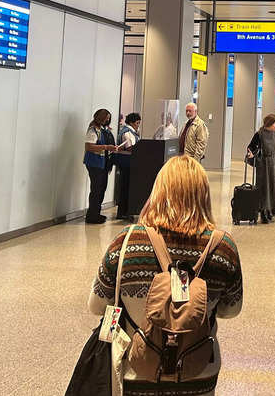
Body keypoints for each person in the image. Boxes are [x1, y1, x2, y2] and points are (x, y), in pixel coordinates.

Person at [88, 155, 243, 396]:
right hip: (199, 372)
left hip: (135, 371)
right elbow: (230, 310)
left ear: (158, 191)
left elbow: (97, 305)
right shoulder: (223, 247)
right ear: (204, 195)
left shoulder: (127, 242)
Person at [84, 109, 118, 224]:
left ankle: (96, 213)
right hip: (94, 163)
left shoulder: (102, 129)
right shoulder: (93, 130)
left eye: (109, 118)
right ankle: (92, 215)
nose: (107, 120)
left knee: (101, 188)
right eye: (106, 118)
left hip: (102, 163)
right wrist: (106, 147)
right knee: (96, 189)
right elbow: (89, 147)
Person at [246, 113, 275, 223]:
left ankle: (270, 209)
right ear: (269, 124)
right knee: (263, 188)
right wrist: (252, 155)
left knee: (273, 186)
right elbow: (250, 147)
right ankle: (262, 211)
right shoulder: (259, 134)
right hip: (264, 164)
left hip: (274, 163)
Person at [114, 112, 141, 220]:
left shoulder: (130, 131)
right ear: (131, 122)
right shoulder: (127, 133)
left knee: (126, 187)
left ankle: (125, 211)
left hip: (128, 163)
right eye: (137, 123)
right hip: (127, 163)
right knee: (125, 187)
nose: (138, 125)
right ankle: (123, 212)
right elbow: (130, 148)